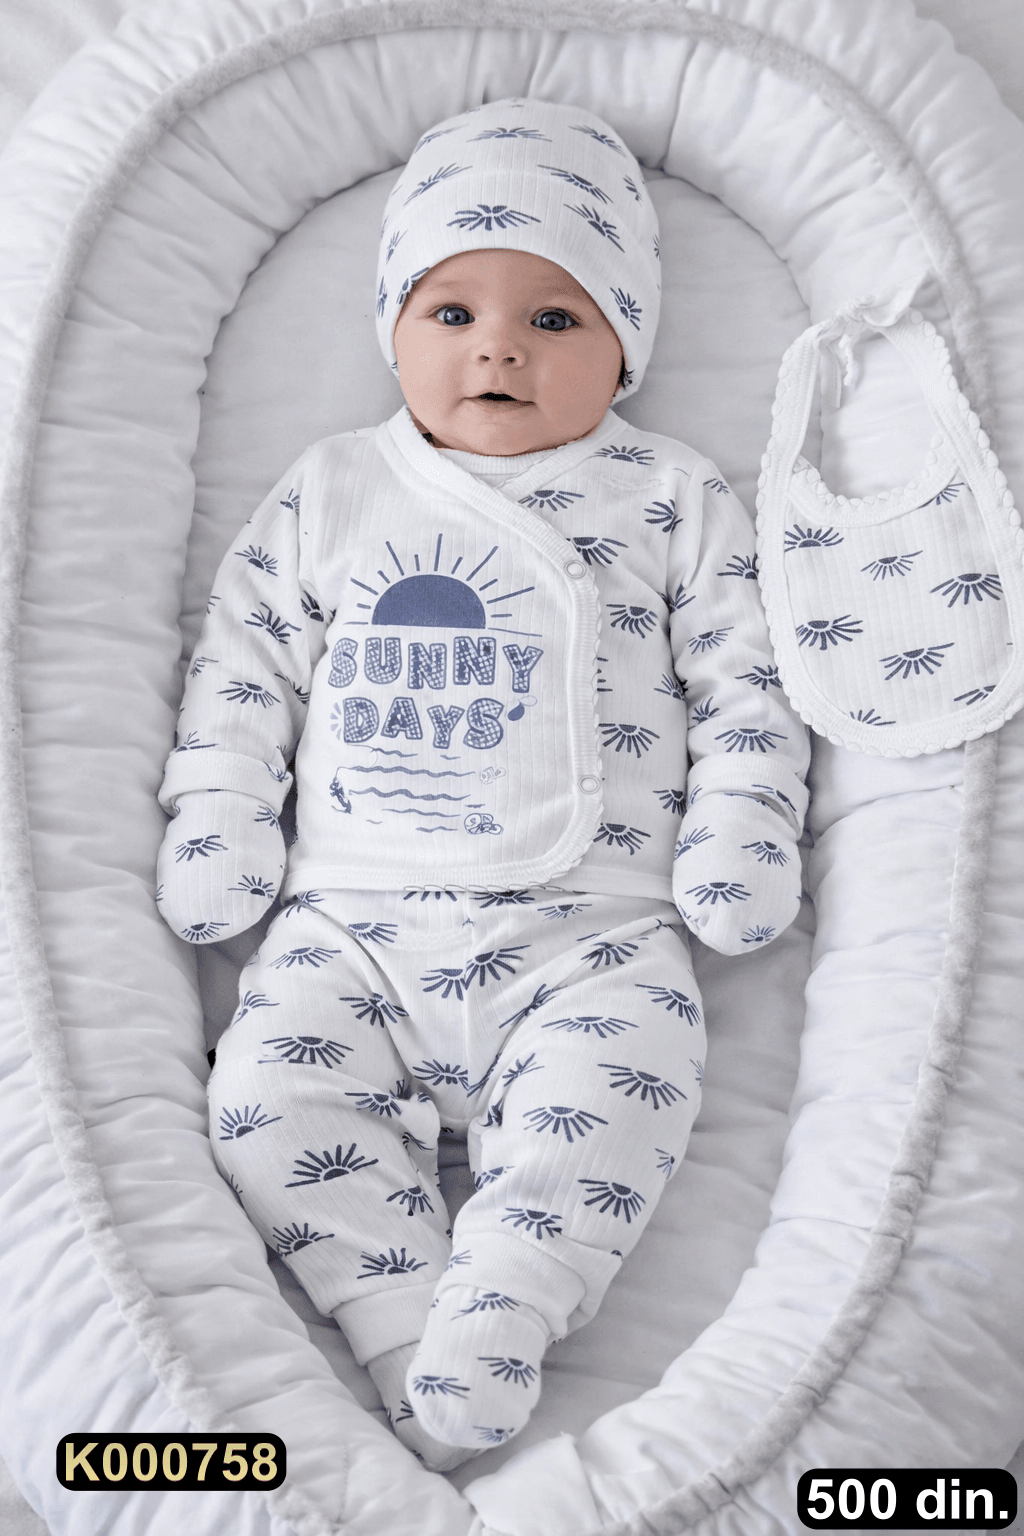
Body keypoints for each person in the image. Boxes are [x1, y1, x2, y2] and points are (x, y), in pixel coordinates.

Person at [156, 97, 810, 1470]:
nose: (499, 347)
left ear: (628, 348)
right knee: (265, 1108)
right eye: (451, 312)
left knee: (627, 1097)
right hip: (349, 928)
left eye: (556, 318)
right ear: (392, 327)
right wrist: (219, 813)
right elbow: (243, 666)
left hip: (598, 932)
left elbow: (749, 683)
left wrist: (744, 830)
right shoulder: (336, 487)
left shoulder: (668, 495)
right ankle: (404, 1327)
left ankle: (511, 1292)